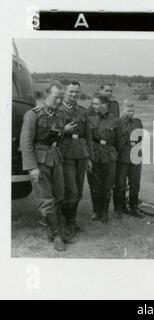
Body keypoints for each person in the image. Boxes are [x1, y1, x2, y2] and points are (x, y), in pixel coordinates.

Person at [19, 82, 67, 251]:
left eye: (62, 98)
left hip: (56, 159)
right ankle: (57, 234)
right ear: (47, 94)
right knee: (45, 199)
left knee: (60, 195)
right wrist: (32, 167)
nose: (59, 101)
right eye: (56, 97)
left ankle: (56, 229)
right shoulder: (33, 114)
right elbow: (25, 143)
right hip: (40, 161)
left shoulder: (60, 115)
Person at [59, 81, 93, 241]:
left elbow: (88, 136)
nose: (74, 95)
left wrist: (89, 157)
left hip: (82, 153)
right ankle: (65, 222)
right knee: (70, 189)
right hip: (65, 154)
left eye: (76, 92)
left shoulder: (83, 111)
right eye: (71, 92)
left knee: (78, 190)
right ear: (65, 91)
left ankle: (71, 221)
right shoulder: (58, 110)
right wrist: (63, 130)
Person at [87, 95, 122, 223]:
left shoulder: (116, 120)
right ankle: (96, 211)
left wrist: (113, 153)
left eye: (96, 104)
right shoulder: (90, 120)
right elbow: (88, 139)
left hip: (109, 156)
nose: (93, 106)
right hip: (94, 155)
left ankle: (105, 212)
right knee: (94, 186)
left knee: (107, 186)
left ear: (105, 105)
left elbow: (119, 140)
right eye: (93, 104)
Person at [114, 99, 144, 218]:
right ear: (122, 110)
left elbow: (140, 138)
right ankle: (119, 208)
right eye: (128, 110)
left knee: (135, 183)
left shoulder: (137, 122)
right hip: (121, 157)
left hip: (135, 156)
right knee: (120, 184)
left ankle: (134, 207)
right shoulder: (117, 122)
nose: (131, 113)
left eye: (132, 110)